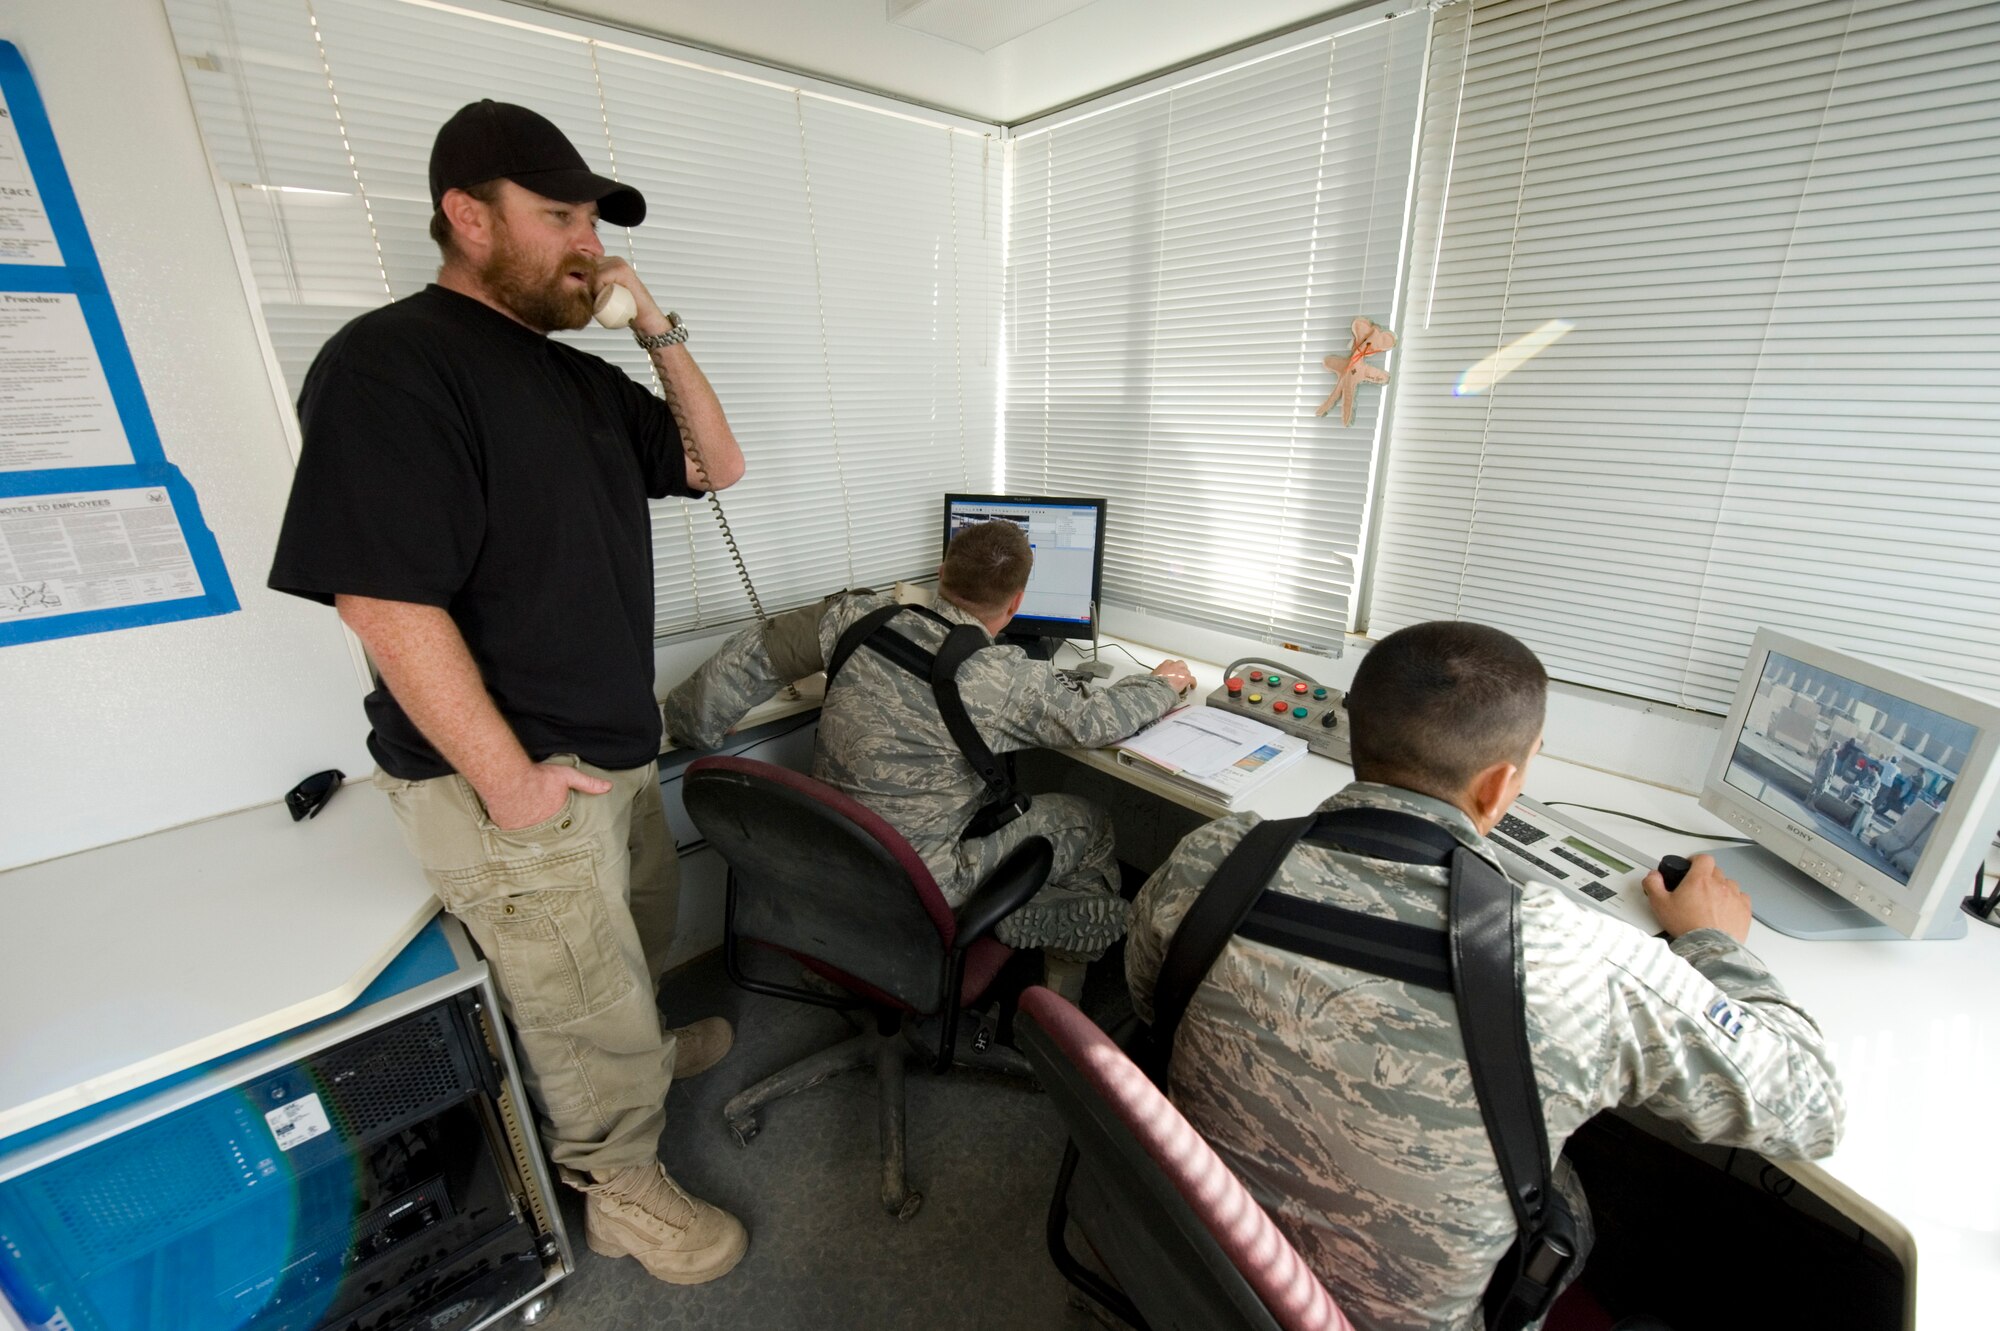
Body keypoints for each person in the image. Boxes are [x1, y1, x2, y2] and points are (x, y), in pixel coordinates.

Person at [269, 100, 751, 1286]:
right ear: (466, 217)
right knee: (579, 1002)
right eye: (556, 216)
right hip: (510, 782)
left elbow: (713, 466)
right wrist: (510, 782)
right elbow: (382, 600)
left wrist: (655, 328)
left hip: (610, 748)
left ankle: (633, 1061)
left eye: (592, 217)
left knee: (624, 947)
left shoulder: (574, 379)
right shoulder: (389, 363)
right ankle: (622, 1187)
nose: (584, 241)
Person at [1127, 621, 1844, 1331]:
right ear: (1502, 783)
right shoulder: (1570, 958)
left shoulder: (1211, 859)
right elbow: (1810, 1105)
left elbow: (1147, 997)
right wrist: (1715, 942)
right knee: (1570, 1194)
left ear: (1356, 735)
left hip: (1204, 1257)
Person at [664, 520, 1196, 995]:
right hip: (921, 882)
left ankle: (852, 946)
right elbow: (1096, 721)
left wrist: (697, 723)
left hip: (825, 851)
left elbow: (750, 657)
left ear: (942, 573)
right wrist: (1163, 685)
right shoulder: (1003, 679)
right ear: (1016, 603)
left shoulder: (855, 616)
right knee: (1091, 820)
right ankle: (1054, 971)